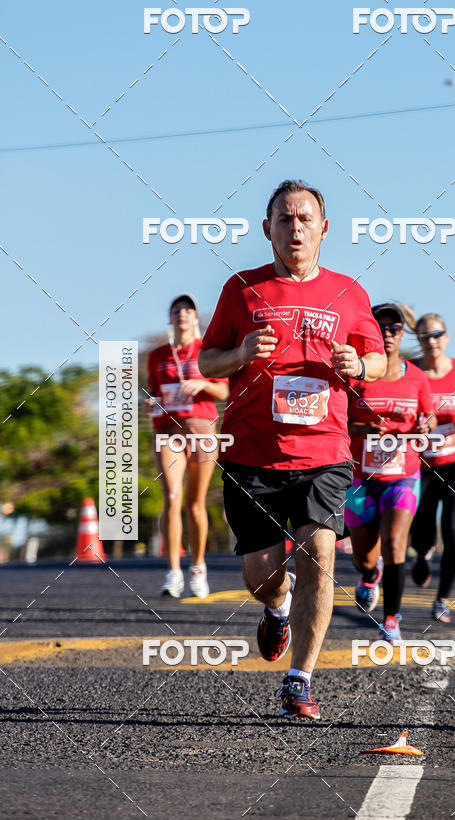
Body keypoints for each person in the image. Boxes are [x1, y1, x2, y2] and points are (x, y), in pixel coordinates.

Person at [198, 179, 386, 719]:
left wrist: (360, 365)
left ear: (323, 229)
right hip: (252, 456)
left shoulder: (349, 293)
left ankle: (299, 679)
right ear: (267, 230)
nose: (295, 227)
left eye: (305, 218)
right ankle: (277, 607)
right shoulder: (241, 289)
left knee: (319, 551)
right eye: (284, 218)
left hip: (324, 454)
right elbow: (206, 362)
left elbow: (379, 361)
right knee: (261, 573)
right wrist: (237, 352)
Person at [346, 303, 435, 641]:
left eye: (394, 328)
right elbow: (336, 420)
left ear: (402, 332)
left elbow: (430, 416)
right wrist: (362, 430)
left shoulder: (416, 377)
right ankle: (370, 576)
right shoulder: (356, 373)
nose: (386, 334)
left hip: (403, 475)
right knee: (363, 557)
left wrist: (425, 425)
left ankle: (392, 620)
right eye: (380, 327)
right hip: (359, 481)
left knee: (396, 543)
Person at [146, 294, 229, 598]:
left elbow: (223, 390)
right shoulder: (157, 355)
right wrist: (150, 403)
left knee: (195, 504)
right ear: (170, 317)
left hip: (201, 427)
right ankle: (173, 571)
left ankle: (197, 566)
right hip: (167, 430)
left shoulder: (207, 350)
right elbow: (154, 392)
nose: (182, 314)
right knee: (172, 495)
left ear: (196, 318)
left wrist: (203, 384)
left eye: (187, 310)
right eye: (176, 310)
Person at [410, 313, 455, 623]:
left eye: (436, 335)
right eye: (424, 337)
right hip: (420, 464)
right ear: (418, 340)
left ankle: (443, 597)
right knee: (422, 530)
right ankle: (420, 554)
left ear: (446, 336)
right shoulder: (412, 371)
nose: (431, 341)